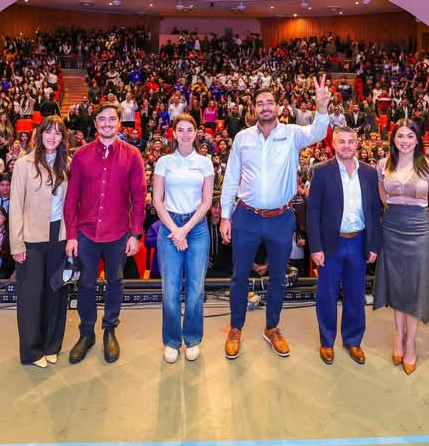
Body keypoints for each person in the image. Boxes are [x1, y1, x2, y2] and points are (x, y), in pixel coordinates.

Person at [219, 76, 332, 360]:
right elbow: (231, 178)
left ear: (278, 107)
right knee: (239, 276)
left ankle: (272, 327)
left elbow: (319, 131)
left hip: (281, 218)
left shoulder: (292, 133)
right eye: (260, 103)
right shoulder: (242, 138)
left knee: (278, 277)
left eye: (270, 102)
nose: (265, 107)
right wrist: (224, 216)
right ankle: (236, 327)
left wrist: (321, 106)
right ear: (253, 109)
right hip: (246, 216)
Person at [64, 102, 146, 364]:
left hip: (119, 232)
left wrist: (135, 234)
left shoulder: (132, 154)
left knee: (115, 282)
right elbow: (71, 197)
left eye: (112, 119)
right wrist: (71, 235)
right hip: (86, 232)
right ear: (96, 123)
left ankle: (110, 329)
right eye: (102, 119)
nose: (107, 123)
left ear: (119, 123)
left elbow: (139, 196)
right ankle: (86, 333)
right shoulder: (80, 155)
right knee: (85, 284)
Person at [307, 125, 381, 366]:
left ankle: (353, 340)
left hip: (359, 241)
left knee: (356, 295)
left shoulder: (369, 173)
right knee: (326, 295)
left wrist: (373, 245)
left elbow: (374, 211)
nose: (347, 145)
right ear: (334, 144)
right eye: (342, 141)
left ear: (357, 143)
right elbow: (313, 211)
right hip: (331, 244)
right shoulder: (321, 171)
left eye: (351, 141)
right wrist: (315, 247)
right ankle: (327, 341)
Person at [371, 119, 429, 373]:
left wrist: (426, 233)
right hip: (392, 228)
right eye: (401, 136)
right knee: (398, 284)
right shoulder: (382, 165)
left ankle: (411, 344)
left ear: (418, 139)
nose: (405, 140)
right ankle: (398, 336)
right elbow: (383, 198)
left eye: (410, 136)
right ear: (393, 139)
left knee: (414, 286)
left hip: (420, 229)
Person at [151, 114, 215, 364]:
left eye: (190, 129)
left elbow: (207, 201)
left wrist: (185, 229)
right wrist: (174, 230)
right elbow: (157, 200)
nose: (186, 134)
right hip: (169, 226)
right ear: (174, 133)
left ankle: (193, 338)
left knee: (196, 287)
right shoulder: (164, 162)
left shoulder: (205, 163)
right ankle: (171, 340)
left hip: (196, 228)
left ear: (196, 132)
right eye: (181, 130)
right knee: (170, 288)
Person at [10, 116, 72, 368]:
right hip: (32, 238)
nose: (52, 137)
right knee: (31, 296)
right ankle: (32, 351)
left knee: (56, 293)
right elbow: (15, 205)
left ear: (63, 137)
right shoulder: (23, 164)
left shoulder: (67, 164)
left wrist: (72, 238)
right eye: (48, 132)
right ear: (39, 134)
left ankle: (51, 345)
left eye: (58, 133)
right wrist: (17, 244)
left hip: (60, 236)